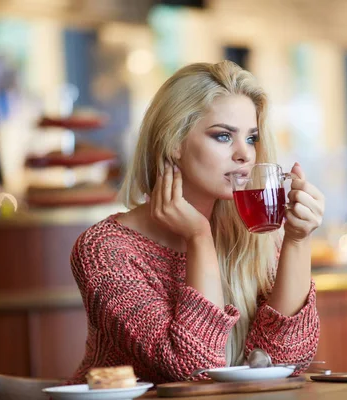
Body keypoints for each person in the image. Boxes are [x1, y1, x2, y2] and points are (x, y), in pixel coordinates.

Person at [68, 61, 325, 385]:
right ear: (174, 142)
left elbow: (286, 359)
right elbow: (193, 368)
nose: (245, 154)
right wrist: (199, 237)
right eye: (222, 136)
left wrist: (297, 240)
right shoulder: (105, 249)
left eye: (251, 138)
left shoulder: (256, 235)